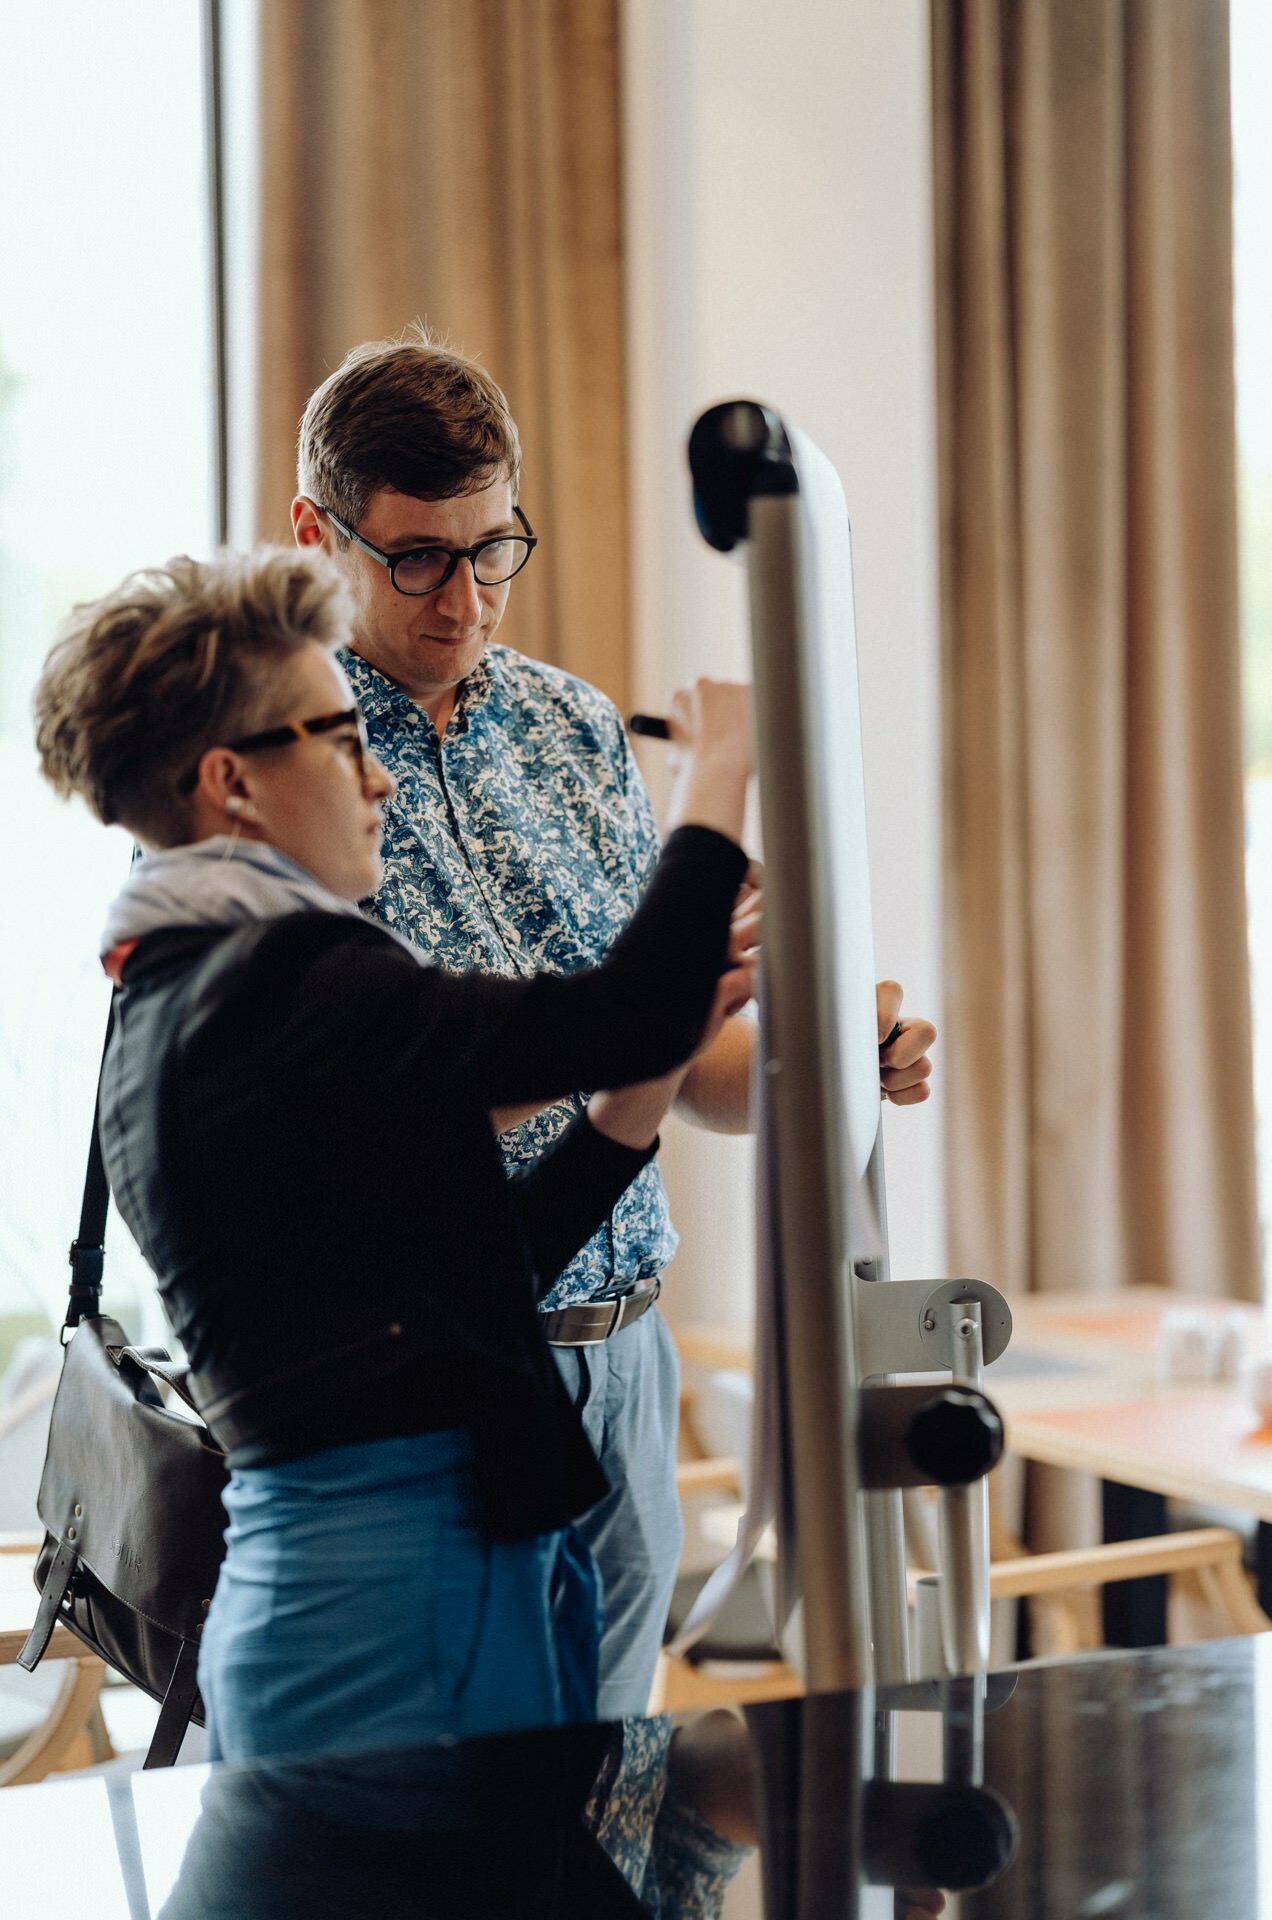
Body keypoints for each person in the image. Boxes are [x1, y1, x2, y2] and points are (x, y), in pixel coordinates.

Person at [290, 329, 938, 1716]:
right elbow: (338, 1113)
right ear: (315, 531)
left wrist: (822, 1072)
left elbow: (688, 1070)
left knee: (610, 1791)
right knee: (451, 1818)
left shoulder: (575, 727)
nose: (462, 600)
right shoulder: (286, 760)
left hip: (624, 1351)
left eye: (490, 549)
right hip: (432, 1378)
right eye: (415, 558)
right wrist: (619, 1041)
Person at [32, 543, 759, 1762]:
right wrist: (721, 772)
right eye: (338, 739)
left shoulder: (200, 988)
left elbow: (473, 1282)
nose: (377, 782)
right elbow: (620, 1008)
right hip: (387, 1627)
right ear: (234, 786)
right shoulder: (281, 986)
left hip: (400, 1610)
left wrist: (638, 1092)